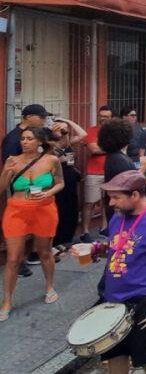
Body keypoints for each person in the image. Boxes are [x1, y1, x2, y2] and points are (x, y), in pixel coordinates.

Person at [69, 170, 146, 373]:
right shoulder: (117, 219)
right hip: (112, 299)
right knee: (115, 355)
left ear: (135, 195)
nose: (111, 203)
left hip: (143, 300)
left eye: (116, 197)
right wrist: (93, 249)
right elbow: (115, 248)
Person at [0, 126, 65, 320]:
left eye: (29, 139)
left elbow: (60, 182)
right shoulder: (13, 161)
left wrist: (49, 192)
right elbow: (2, 189)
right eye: (23, 138)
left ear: (39, 142)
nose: (24, 142)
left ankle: (49, 286)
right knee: (13, 259)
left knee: (45, 252)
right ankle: (7, 300)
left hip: (44, 209)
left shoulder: (51, 160)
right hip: (16, 211)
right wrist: (6, 172)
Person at [1, 104, 66, 276]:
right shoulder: (12, 138)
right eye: (42, 117)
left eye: (29, 139)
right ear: (28, 117)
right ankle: (19, 262)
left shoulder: (41, 135)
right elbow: (9, 166)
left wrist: (61, 133)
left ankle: (33, 257)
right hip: (19, 196)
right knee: (17, 245)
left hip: (41, 199)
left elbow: (57, 146)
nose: (45, 120)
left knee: (43, 245)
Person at [50, 118, 87, 248]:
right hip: (57, 180)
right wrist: (60, 160)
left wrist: (67, 122)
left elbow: (83, 134)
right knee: (60, 209)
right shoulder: (50, 145)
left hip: (70, 179)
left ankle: (67, 238)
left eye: (65, 129)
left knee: (72, 208)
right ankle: (57, 240)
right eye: (60, 129)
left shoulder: (68, 143)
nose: (64, 131)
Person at [82, 105, 114, 240]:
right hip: (94, 172)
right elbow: (94, 150)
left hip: (111, 170)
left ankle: (104, 227)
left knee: (107, 201)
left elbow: (123, 147)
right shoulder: (91, 131)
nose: (103, 119)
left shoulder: (115, 131)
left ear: (111, 118)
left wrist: (105, 147)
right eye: (101, 116)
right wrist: (113, 148)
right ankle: (85, 231)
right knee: (89, 202)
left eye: (106, 117)